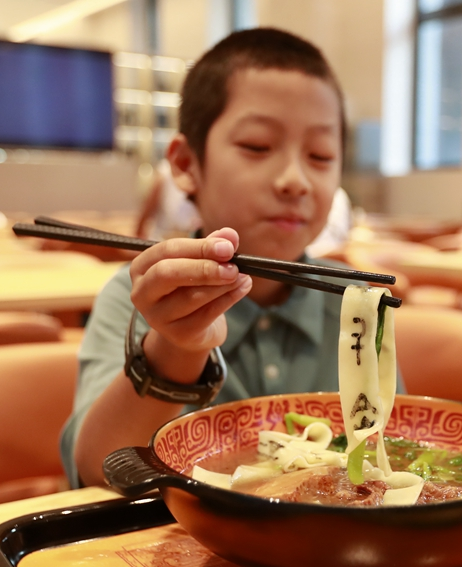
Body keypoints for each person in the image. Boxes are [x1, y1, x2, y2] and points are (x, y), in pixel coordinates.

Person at [60, 27, 404, 488]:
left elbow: (392, 446)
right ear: (186, 164)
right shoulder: (139, 296)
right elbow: (100, 470)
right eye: (257, 146)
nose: (295, 180)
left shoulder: (355, 302)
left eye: (320, 155)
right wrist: (176, 347)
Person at [134, 158, 202, 241]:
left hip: (191, 240)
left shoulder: (203, 172)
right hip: (160, 240)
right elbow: (148, 207)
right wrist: (139, 232)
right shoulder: (166, 171)